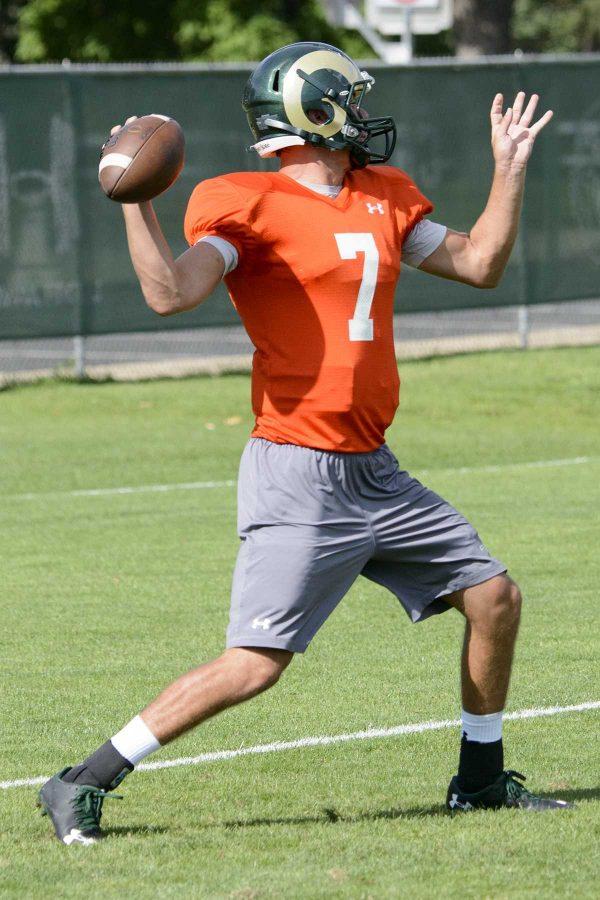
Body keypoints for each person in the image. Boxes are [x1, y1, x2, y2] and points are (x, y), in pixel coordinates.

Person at [39, 41, 570, 845]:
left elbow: (482, 265)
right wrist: (132, 199)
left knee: (494, 596)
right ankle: (82, 780)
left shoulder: (383, 195)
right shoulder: (242, 202)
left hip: (375, 470)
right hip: (299, 469)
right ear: (312, 112)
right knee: (256, 664)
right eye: (347, 99)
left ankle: (482, 779)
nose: (362, 113)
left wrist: (509, 169)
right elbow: (169, 294)